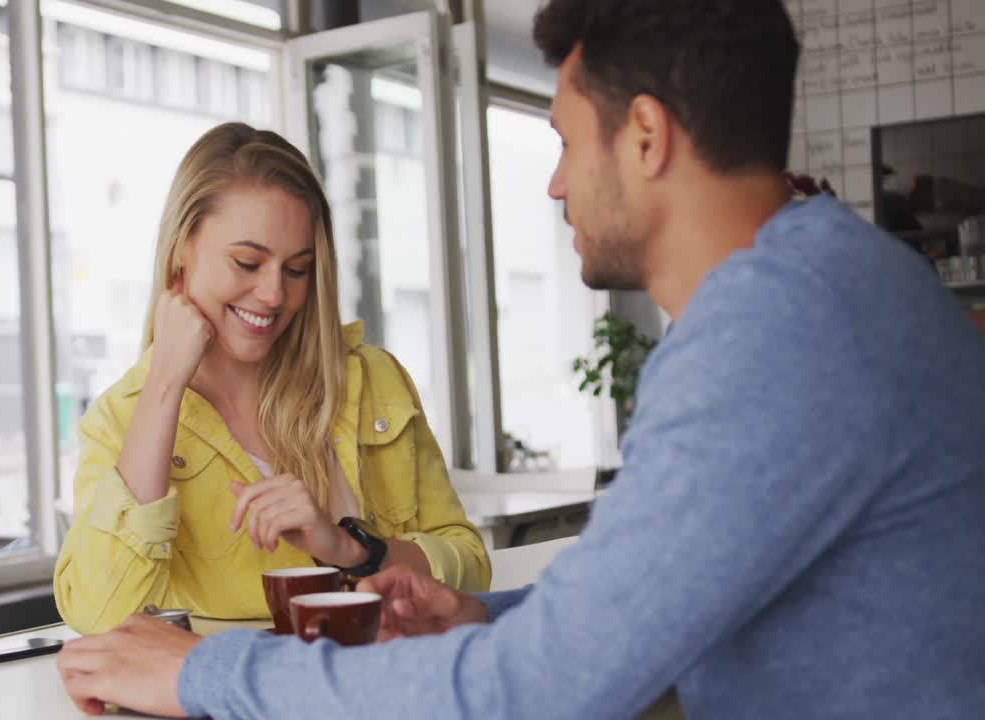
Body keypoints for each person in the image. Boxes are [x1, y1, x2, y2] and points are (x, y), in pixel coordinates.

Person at [56, 0, 985, 717]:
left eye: (566, 143)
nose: (553, 182)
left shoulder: (774, 333)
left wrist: (204, 674)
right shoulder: (829, 282)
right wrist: (476, 618)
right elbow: (628, 621)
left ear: (648, 138)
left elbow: (535, 692)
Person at [53, 122, 490, 635]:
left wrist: (349, 548)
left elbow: (471, 568)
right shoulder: (122, 418)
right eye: (247, 262)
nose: (274, 295)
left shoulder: (372, 379)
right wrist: (166, 383)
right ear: (181, 251)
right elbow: (99, 616)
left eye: (297, 269)